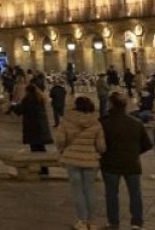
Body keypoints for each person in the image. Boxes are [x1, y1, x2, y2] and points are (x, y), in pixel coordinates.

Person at [100, 92, 151, 230]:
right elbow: (147, 145)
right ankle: (136, 223)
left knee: (111, 194)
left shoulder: (103, 122)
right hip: (132, 163)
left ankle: (113, 222)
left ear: (110, 104)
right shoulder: (136, 122)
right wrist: (134, 152)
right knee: (135, 194)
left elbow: (99, 144)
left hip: (110, 163)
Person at [56, 96, 106, 230]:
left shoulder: (66, 121)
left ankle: (82, 221)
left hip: (72, 158)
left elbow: (60, 140)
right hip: (90, 159)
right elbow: (101, 146)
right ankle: (92, 221)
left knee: (77, 190)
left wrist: (62, 148)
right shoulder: (96, 123)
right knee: (90, 190)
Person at [12, 84, 54, 175]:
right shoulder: (40, 99)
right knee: (41, 148)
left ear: (27, 91)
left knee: (35, 149)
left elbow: (21, 110)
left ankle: (41, 169)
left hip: (33, 128)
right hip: (41, 128)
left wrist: (13, 107)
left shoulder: (29, 99)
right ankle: (44, 169)